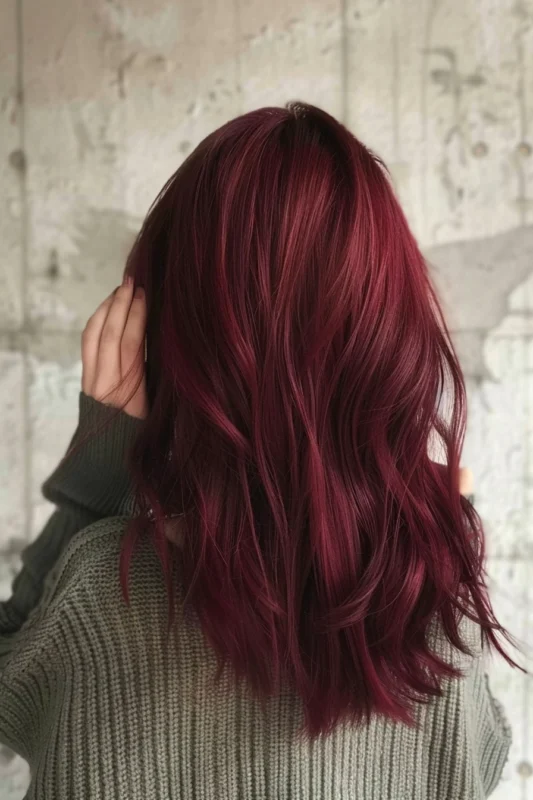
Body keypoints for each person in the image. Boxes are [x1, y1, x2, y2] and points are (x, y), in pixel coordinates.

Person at [0, 102, 524, 799]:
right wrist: (435, 528)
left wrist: (100, 464)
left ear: (166, 330)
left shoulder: (103, 591)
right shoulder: (423, 597)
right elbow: (477, 757)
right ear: (385, 339)